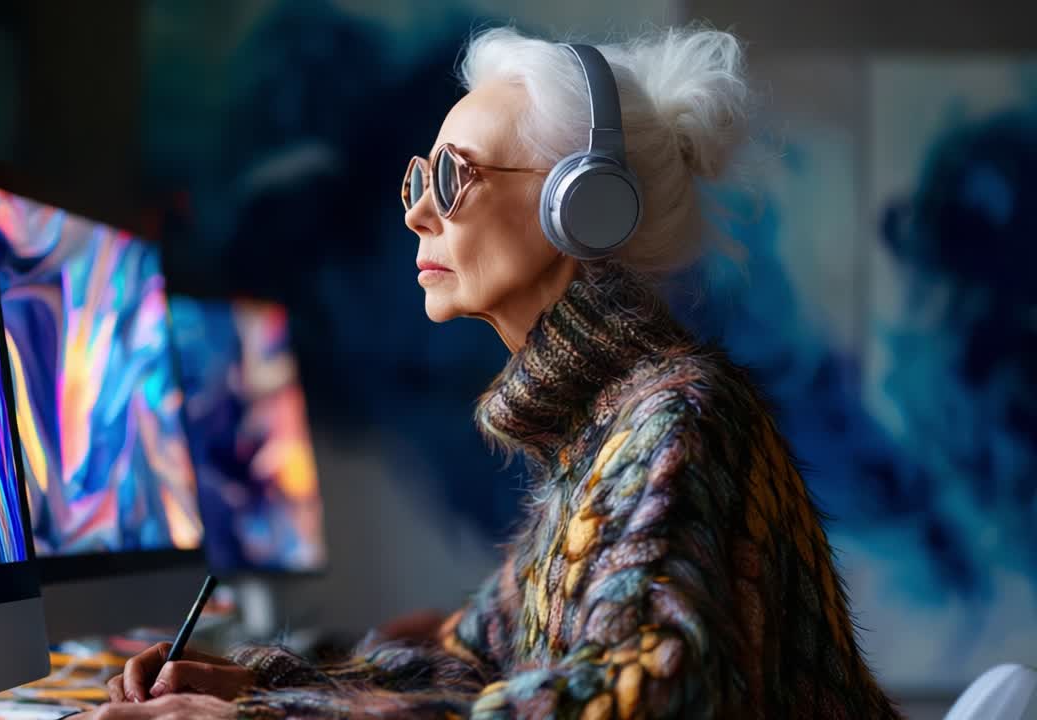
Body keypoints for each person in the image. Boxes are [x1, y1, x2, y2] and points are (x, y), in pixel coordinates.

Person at [76, 25, 904, 719]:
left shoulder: (674, 418)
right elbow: (474, 662)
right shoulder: (599, 430)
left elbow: (638, 692)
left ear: (580, 207)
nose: (416, 212)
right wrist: (257, 687)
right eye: (418, 178)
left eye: (453, 176)